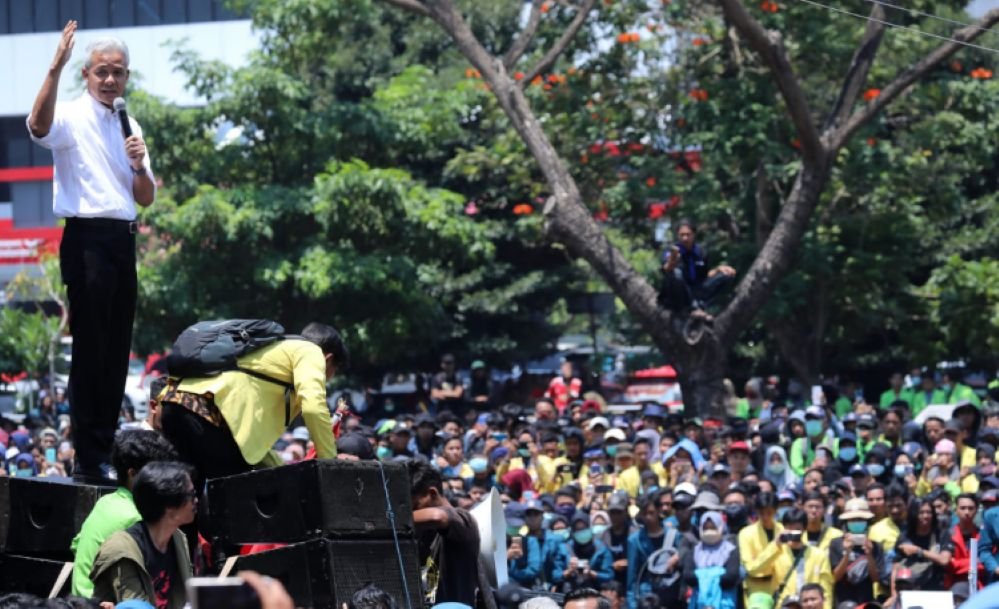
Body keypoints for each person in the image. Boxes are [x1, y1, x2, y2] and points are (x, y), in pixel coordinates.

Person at [27, 23, 156, 482]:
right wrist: (54, 67)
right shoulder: (70, 114)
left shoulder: (130, 124)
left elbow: (145, 196)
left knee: (117, 347)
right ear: (86, 73)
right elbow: (38, 126)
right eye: (101, 71)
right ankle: (88, 454)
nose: (109, 80)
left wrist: (139, 164)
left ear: (126, 78)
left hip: (123, 239)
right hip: (86, 240)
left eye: (118, 73)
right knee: (91, 346)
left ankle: (105, 444)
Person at [160, 323, 347, 492]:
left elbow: (252, 445)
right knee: (235, 499)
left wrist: (282, 470)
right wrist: (330, 463)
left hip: (173, 403)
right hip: (208, 415)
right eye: (334, 370)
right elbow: (314, 408)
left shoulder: (270, 350)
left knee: (183, 494)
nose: (330, 376)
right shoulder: (310, 351)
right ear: (328, 359)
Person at [71, 431, 179, 598]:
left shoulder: (105, 502)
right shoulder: (137, 518)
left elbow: (76, 545)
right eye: (159, 474)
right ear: (132, 474)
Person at [90, 462, 194, 609]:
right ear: (169, 505)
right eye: (191, 495)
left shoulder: (177, 539)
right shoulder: (123, 550)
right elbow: (135, 606)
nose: (196, 501)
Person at [408, 459, 480, 606]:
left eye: (415, 505)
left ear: (432, 493)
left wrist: (392, 518)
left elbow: (438, 516)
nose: (413, 511)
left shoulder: (463, 521)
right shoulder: (425, 532)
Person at [658, 219, 736, 318]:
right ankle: (691, 309)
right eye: (681, 235)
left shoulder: (701, 252)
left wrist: (718, 269)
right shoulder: (671, 251)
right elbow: (666, 270)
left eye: (688, 234)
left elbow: (705, 276)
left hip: (696, 290)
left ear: (694, 235)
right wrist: (672, 261)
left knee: (727, 276)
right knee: (676, 273)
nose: (685, 238)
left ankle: (703, 305)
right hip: (679, 295)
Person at [828, 498, 884, 604]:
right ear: (847, 522)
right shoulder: (836, 543)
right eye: (853, 520)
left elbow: (876, 578)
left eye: (860, 519)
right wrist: (847, 553)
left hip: (866, 600)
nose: (857, 522)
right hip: (843, 600)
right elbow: (836, 576)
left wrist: (869, 555)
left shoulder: (875, 546)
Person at [681, 511, 740, 609]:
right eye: (706, 528)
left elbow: (730, 577)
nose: (709, 531)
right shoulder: (694, 551)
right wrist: (718, 573)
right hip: (699, 602)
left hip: (724, 602)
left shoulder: (730, 550)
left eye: (713, 528)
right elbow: (688, 576)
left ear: (721, 527)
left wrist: (702, 575)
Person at [893, 497, 954, 590]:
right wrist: (893, 594)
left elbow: (944, 560)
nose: (925, 516)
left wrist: (919, 551)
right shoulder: (906, 535)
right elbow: (896, 566)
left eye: (928, 512)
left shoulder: (941, 534)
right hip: (909, 588)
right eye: (921, 513)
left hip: (935, 587)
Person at [947, 493, 984, 590]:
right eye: (962, 508)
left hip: (979, 587)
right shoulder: (948, 535)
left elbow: (984, 563)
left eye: (971, 508)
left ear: (976, 511)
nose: (967, 512)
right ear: (956, 511)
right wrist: (973, 563)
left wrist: (957, 563)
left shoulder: (984, 535)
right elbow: (947, 564)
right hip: (953, 585)